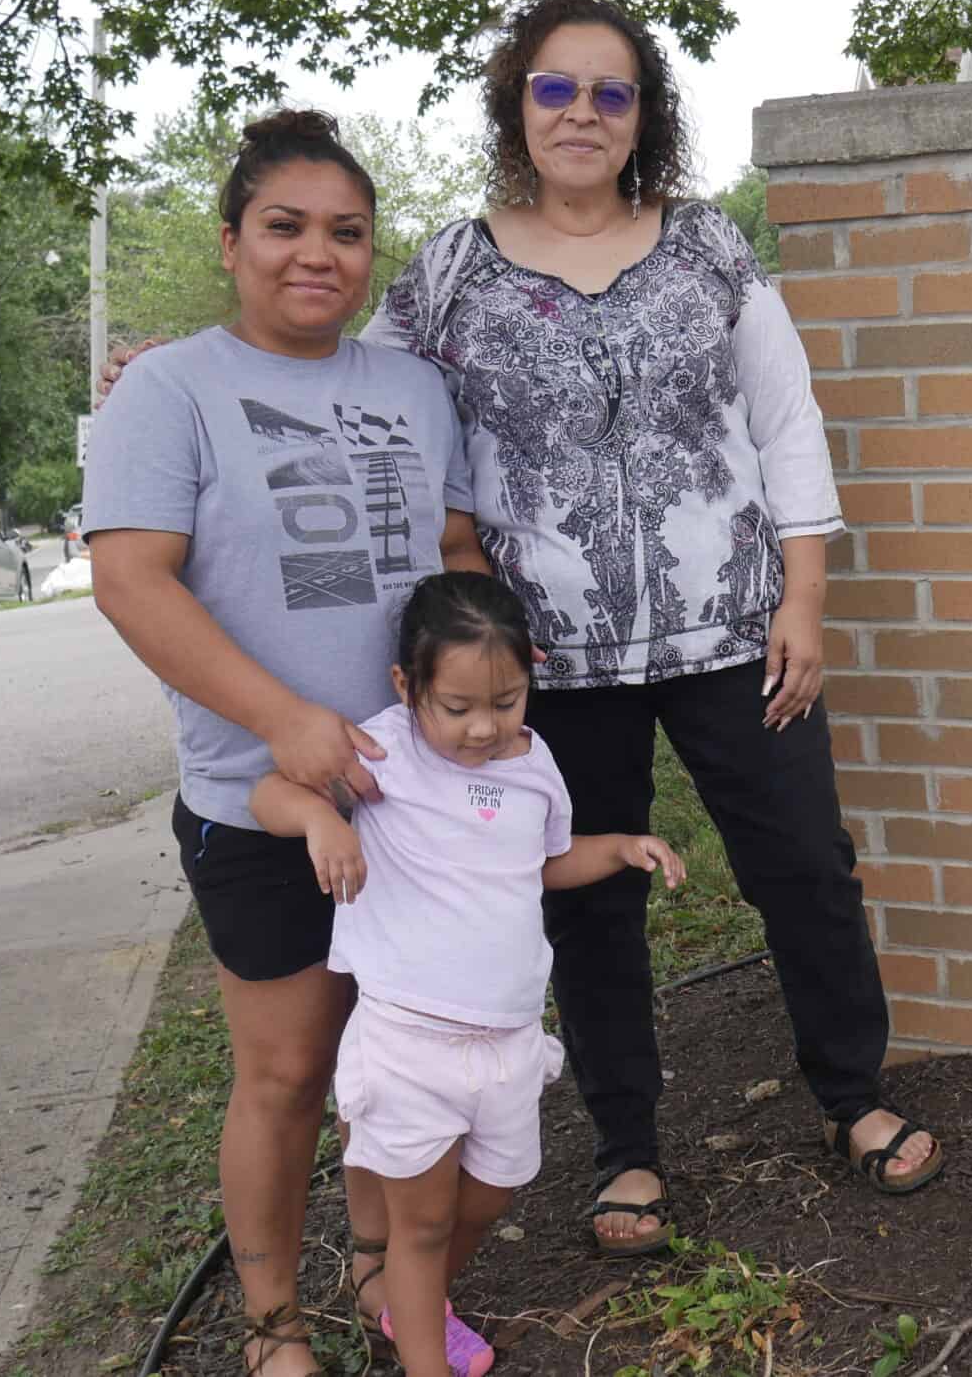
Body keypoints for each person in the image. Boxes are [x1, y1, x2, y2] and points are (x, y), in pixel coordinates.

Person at [102, 0, 944, 1257]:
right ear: (518, 106)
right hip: (541, 667)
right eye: (556, 89)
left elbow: (787, 423)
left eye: (611, 93)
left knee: (804, 869)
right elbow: (318, 354)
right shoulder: (448, 268)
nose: (583, 114)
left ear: (642, 116)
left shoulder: (711, 246)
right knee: (584, 904)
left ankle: (852, 1095)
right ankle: (628, 1150)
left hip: (733, 635)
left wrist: (805, 598)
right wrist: (174, 366)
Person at [85, 111, 495, 1376]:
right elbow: (132, 582)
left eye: (346, 232)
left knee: (402, 1057)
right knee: (290, 1070)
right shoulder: (168, 389)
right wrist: (284, 721)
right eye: (285, 226)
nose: (317, 253)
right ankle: (271, 1332)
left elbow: (456, 556)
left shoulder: (415, 387)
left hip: (417, 804)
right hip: (258, 799)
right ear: (230, 242)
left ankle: (385, 1275)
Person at [251, 572, 685, 1377]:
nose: (484, 728)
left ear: (531, 674)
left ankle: (410, 1308)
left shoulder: (535, 763)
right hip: (409, 1042)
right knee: (419, 1225)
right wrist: (319, 820)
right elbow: (267, 792)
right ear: (406, 686)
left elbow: (545, 864)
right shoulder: (382, 749)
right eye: (457, 708)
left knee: (487, 1198)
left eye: (507, 700)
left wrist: (623, 847)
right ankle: (422, 1351)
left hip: (510, 1040)